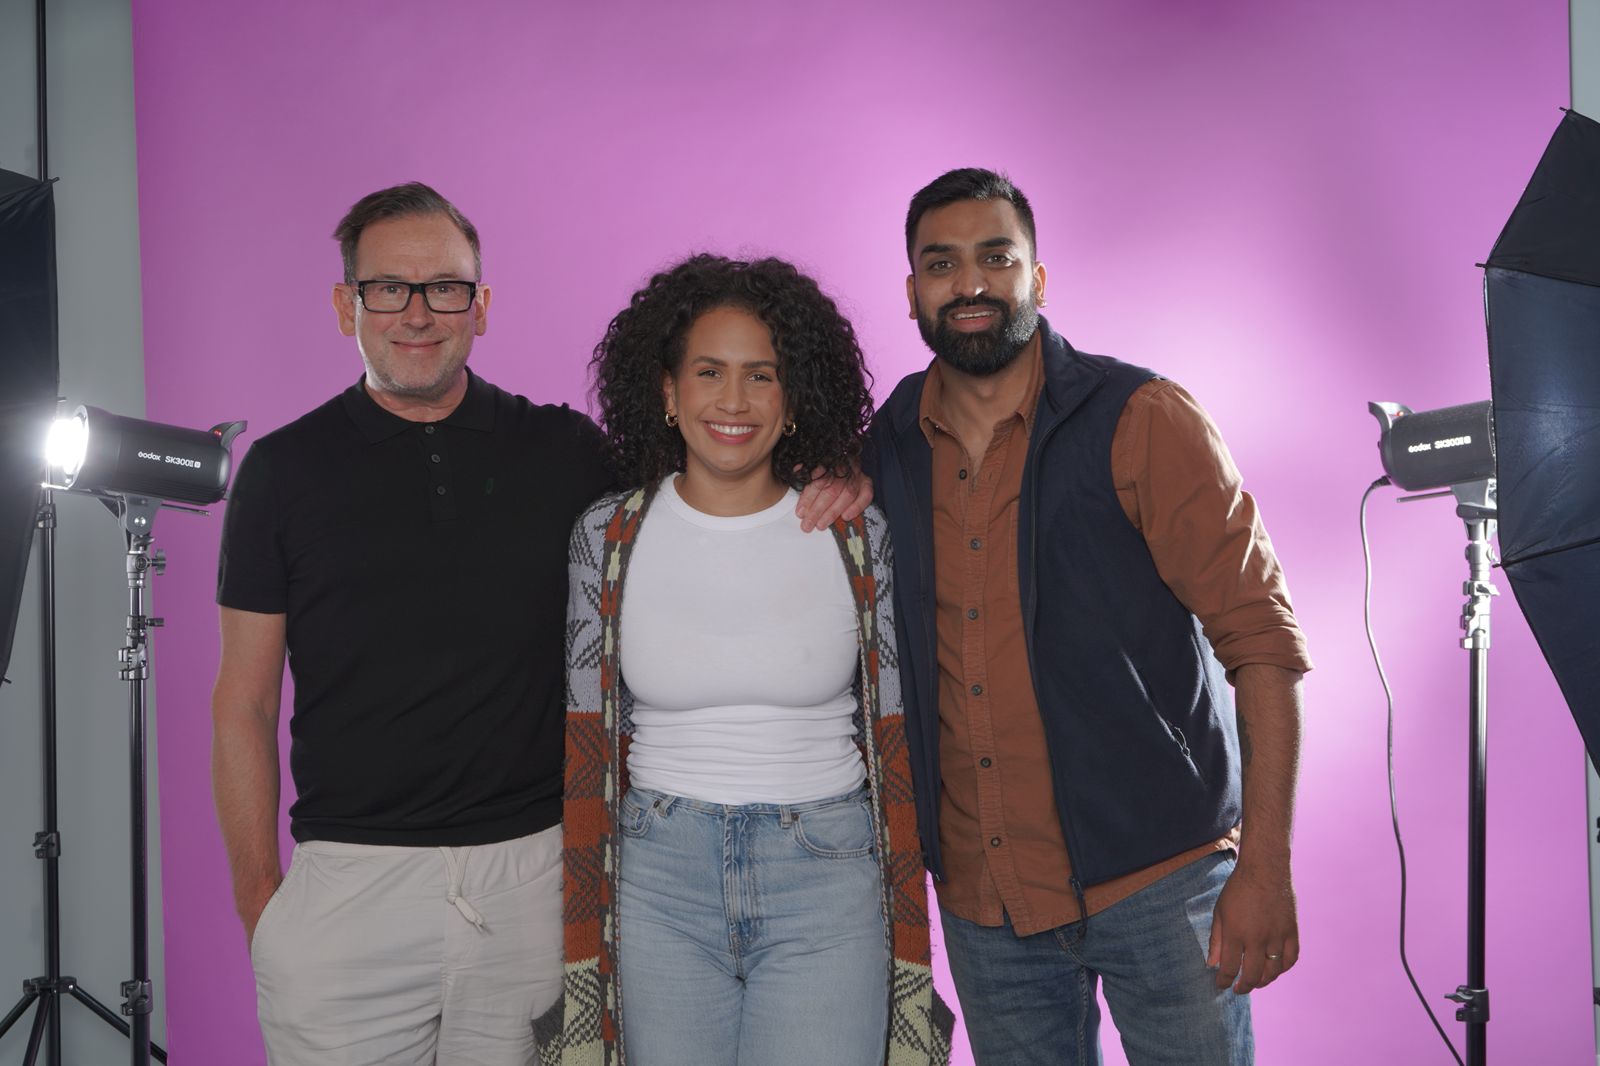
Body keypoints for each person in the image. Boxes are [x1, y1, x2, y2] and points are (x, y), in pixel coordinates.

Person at [210, 183, 868, 1066]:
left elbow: (722, 465)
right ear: (345, 305)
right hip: (348, 887)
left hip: (532, 879)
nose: (416, 312)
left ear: (481, 307)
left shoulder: (567, 455)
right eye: (387, 288)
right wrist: (262, 902)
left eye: (444, 287)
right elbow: (242, 704)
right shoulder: (282, 472)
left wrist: (839, 470)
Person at [867, 168, 1313, 1066]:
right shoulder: (887, 446)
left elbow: (1263, 645)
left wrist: (1265, 866)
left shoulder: (1142, 417)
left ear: (1039, 276)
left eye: (997, 257)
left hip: (1164, 882)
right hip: (986, 906)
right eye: (942, 264)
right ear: (913, 290)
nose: (972, 285)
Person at [541, 254, 952, 1066]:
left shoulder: (856, 536)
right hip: (657, 877)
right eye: (708, 372)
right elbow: (588, 735)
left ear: (793, 398)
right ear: (667, 391)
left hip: (828, 875)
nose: (733, 402)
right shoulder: (607, 537)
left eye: (761, 376)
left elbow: (897, 724)